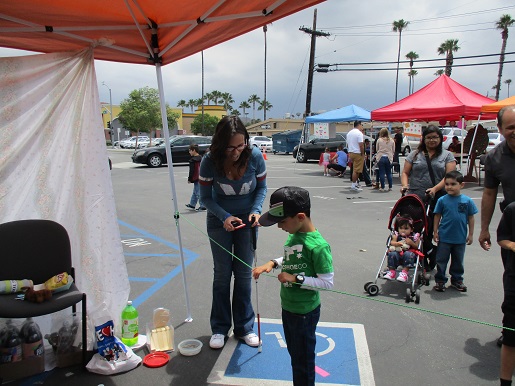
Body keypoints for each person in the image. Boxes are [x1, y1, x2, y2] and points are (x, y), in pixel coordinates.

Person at [252, 186, 333, 386]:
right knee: (295, 356)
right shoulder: (295, 235)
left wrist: (295, 279)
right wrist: (273, 263)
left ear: (300, 216)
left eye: (282, 222)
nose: (279, 227)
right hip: (289, 307)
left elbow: (327, 283)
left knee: (303, 362)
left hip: (304, 313)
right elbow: (292, 257)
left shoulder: (318, 246)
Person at [199, 115, 267, 349]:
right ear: (220, 144)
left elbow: (262, 187)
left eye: (241, 145)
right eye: (231, 147)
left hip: (248, 222)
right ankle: (219, 328)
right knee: (222, 275)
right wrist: (225, 217)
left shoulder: (255, 156)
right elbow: (205, 197)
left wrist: (256, 211)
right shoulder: (209, 160)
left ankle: (244, 327)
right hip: (220, 222)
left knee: (244, 274)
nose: (237, 151)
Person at [478, 105, 515, 350]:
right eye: (511, 127)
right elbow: (490, 193)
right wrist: (484, 228)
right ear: (500, 129)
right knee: (512, 287)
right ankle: (510, 332)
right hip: (512, 232)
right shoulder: (494, 158)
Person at [432, 170, 477, 292]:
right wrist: (435, 231)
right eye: (447, 184)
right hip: (444, 237)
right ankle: (440, 280)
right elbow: (437, 216)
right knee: (441, 260)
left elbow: (471, 217)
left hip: (460, 238)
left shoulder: (467, 201)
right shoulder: (442, 200)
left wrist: (471, 234)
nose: (449, 187)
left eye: (453, 184)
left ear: (461, 185)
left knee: (458, 261)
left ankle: (457, 280)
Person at [401, 125, 456, 205]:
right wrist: (404, 185)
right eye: (428, 137)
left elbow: (449, 176)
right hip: (415, 197)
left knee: (436, 217)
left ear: (440, 138)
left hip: (438, 197)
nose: (431, 140)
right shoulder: (414, 154)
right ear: (424, 139)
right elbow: (405, 172)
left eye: (435, 137)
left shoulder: (447, 155)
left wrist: (435, 189)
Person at [497, 202, 515, 386]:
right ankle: (505, 382)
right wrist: (511, 245)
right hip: (513, 281)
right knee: (511, 338)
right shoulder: (512, 210)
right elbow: (502, 238)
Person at [383, 214, 420, 282]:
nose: (403, 230)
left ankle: (404, 273)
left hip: (409, 255)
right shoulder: (396, 235)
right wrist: (397, 243)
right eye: (401, 228)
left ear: (411, 229)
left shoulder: (414, 236)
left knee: (409, 254)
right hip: (398, 253)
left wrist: (411, 243)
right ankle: (392, 272)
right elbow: (392, 243)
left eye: (406, 228)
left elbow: (417, 247)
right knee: (392, 254)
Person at [185, 143, 206, 211]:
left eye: (190, 150)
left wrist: (190, 179)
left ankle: (202, 206)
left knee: (198, 192)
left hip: (196, 178)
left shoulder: (193, 160)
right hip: (202, 176)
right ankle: (192, 204)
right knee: (195, 191)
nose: (189, 152)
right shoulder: (201, 158)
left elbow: (192, 171)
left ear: (194, 150)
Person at [347, 121, 365, 192]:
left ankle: (355, 183)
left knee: (355, 169)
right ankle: (354, 185)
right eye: (361, 125)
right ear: (359, 125)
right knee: (356, 170)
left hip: (351, 152)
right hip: (357, 152)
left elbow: (348, 144)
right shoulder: (359, 133)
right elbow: (361, 144)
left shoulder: (349, 133)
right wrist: (362, 153)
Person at [375, 128, 395, 192]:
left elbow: (377, 149)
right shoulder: (392, 140)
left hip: (380, 157)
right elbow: (393, 150)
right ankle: (390, 187)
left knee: (382, 173)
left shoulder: (379, 140)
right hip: (389, 157)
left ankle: (382, 187)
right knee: (389, 173)